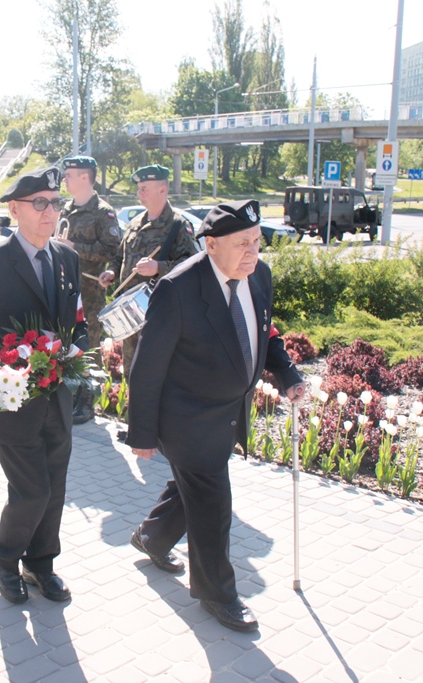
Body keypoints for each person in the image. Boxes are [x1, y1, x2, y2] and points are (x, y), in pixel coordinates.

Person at [126, 200, 305, 632]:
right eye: (242, 244)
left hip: (229, 412)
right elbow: (147, 366)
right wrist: (143, 433)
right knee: (212, 505)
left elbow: (264, 331)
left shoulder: (258, 276)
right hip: (186, 417)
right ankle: (217, 594)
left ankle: (152, 535)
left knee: (193, 487)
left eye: (257, 243)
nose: (252, 253)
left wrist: (287, 374)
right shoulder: (179, 289)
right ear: (209, 246)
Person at [0, 167, 88, 605]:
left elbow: (76, 326)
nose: (50, 211)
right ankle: (5, 557)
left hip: (58, 400)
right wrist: (13, 372)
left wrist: (77, 352)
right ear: (14, 210)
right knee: (32, 491)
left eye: (55, 202)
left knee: (55, 490)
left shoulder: (67, 259)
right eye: (40, 203)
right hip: (10, 405)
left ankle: (41, 562)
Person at [98, 165, 198, 379]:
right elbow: (120, 255)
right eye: (139, 188)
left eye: (144, 188)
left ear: (162, 190)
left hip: (160, 313)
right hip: (131, 312)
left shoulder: (178, 225)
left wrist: (158, 268)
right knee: (131, 373)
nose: (139, 193)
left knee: (156, 373)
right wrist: (112, 272)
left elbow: (193, 264)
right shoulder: (135, 223)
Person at [54, 155, 121, 424]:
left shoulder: (103, 211)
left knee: (89, 347)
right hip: (66, 289)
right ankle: (69, 396)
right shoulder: (66, 208)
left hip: (90, 292)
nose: (65, 179)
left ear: (85, 177)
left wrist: (75, 248)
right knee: (68, 344)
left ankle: (87, 402)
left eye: (70, 175)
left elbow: (113, 250)